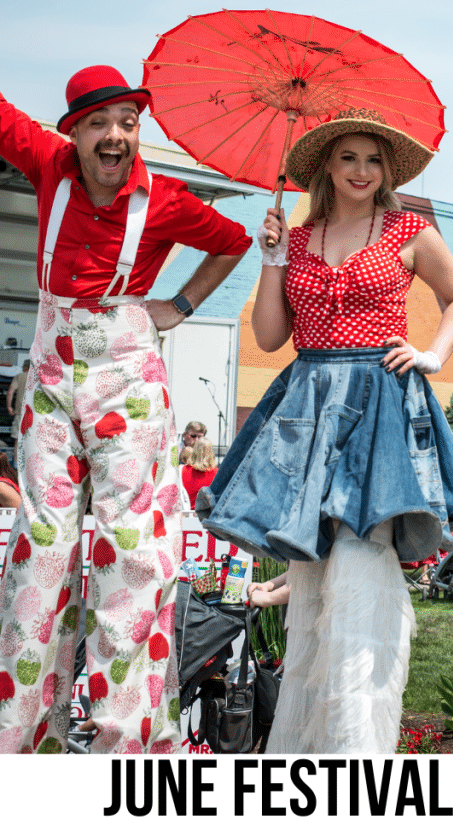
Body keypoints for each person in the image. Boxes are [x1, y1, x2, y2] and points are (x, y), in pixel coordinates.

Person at [196, 107, 453, 754]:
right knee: (310, 577)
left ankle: (358, 745)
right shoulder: (296, 239)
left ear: (387, 171)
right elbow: (271, 337)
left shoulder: (411, 228)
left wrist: (432, 352)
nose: (361, 169)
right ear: (327, 163)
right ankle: (301, 746)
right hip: (307, 406)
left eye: (373, 159)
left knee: (359, 560)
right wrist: (269, 259)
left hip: (379, 403)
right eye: (349, 156)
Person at [0, 65, 250, 754]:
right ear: (73, 132)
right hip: (52, 380)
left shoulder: (165, 199)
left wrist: (183, 306)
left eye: (129, 122)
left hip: (126, 383)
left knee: (128, 557)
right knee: (40, 553)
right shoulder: (45, 162)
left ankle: (126, 748)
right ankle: (18, 742)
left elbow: (232, 243)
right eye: (100, 123)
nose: (116, 136)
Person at [180, 438, 217, 511]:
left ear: (194, 451)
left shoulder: (181, 470)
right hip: (206, 517)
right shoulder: (217, 473)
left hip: (185, 515)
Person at [5, 361, 29, 461]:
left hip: (21, 413)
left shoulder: (19, 376)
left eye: (23, 366)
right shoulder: (39, 377)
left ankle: (16, 466)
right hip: (35, 414)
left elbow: (10, 392)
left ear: (26, 366)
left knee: (18, 441)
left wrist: (9, 407)